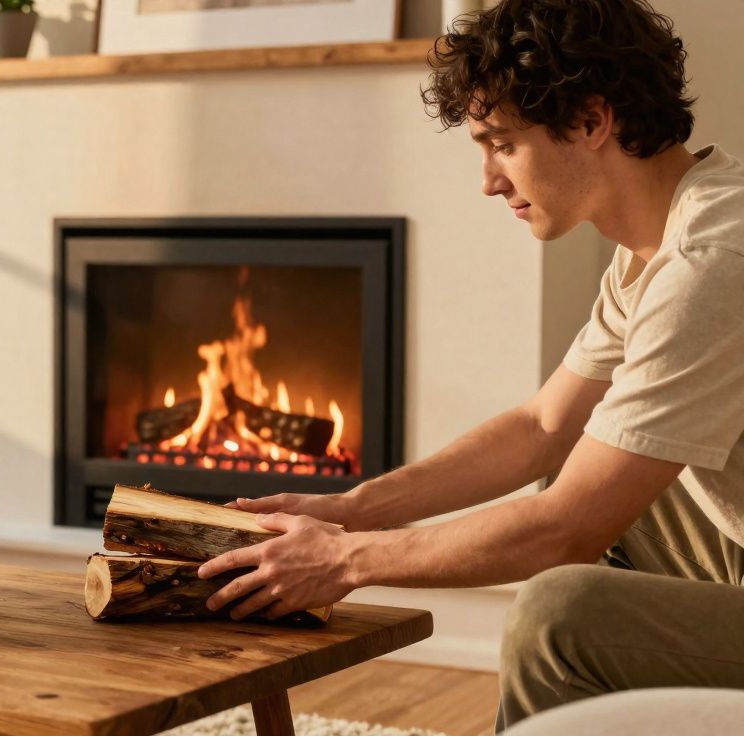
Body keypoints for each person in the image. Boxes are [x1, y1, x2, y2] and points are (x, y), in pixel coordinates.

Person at [195, 0, 744, 729]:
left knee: (558, 615)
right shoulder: (666, 240)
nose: (488, 180)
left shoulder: (710, 263)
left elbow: (565, 528)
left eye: (502, 144)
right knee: (602, 460)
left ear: (591, 120)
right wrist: (350, 510)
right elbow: (543, 426)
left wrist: (343, 560)